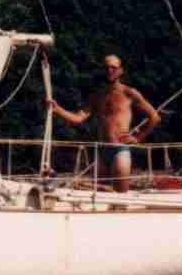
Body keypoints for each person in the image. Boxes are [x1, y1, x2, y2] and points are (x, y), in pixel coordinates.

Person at [48, 54, 161, 193]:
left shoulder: (129, 93)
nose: (110, 71)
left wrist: (138, 138)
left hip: (120, 150)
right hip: (101, 150)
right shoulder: (96, 96)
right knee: (99, 198)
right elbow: (78, 118)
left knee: (120, 197)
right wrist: (57, 109)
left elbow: (154, 117)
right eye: (107, 67)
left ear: (121, 71)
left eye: (114, 68)